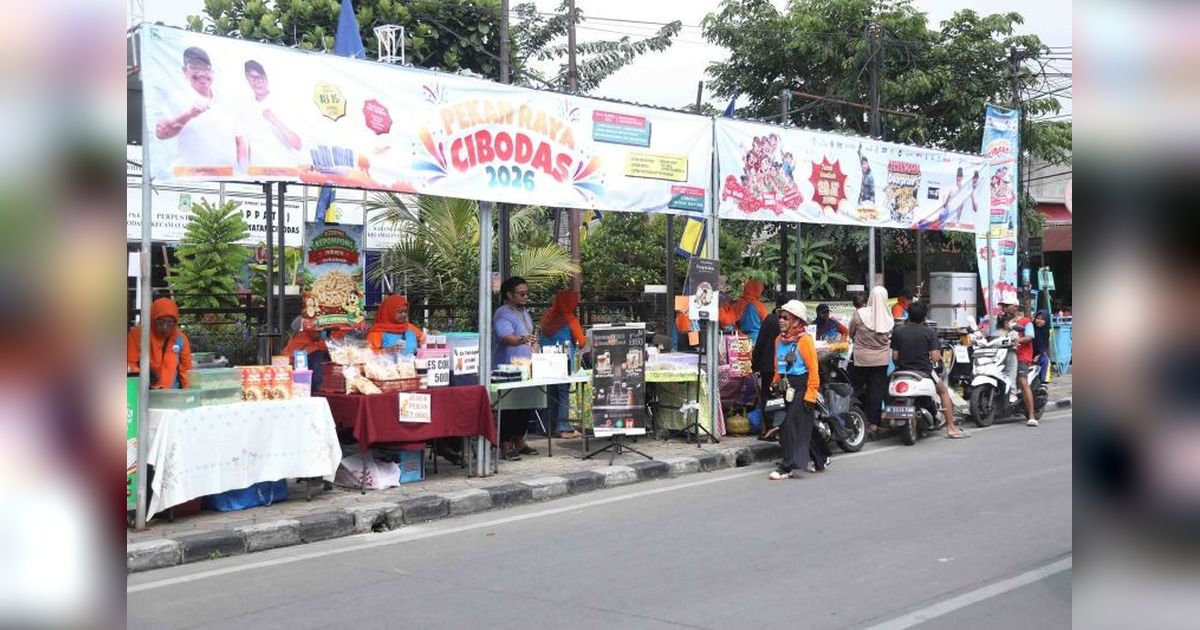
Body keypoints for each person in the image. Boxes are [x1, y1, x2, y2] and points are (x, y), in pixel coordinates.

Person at [154, 46, 247, 176]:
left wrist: (242, 172)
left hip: (227, 179)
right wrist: (188, 115)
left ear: (212, 72)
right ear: (185, 71)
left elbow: (240, 140)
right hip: (189, 179)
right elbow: (161, 134)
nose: (202, 73)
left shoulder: (227, 102)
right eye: (195, 68)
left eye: (206, 69)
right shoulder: (176, 98)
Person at [891, 302, 968, 438]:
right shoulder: (929, 332)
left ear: (908, 315)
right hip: (924, 370)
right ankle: (951, 427)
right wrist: (937, 358)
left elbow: (895, 356)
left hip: (901, 370)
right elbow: (934, 356)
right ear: (924, 317)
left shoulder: (898, 331)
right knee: (943, 392)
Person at [768, 301, 822, 480]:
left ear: (796, 321)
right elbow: (778, 367)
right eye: (780, 317)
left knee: (790, 424)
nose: (781, 320)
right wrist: (774, 384)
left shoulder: (804, 340)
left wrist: (811, 394)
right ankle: (820, 459)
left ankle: (787, 467)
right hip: (785, 386)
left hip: (802, 386)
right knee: (801, 426)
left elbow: (813, 369)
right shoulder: (778, 340)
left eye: (786, 317)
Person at [492, 277, 539, 459]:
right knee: (509, 408)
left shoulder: (524, 312)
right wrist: (522, 339)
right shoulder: (503, 313)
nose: (525, 296)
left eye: (527, 293)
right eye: (521, 294)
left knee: (524, 404)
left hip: (525, 367)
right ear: (509, 295)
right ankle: (504, 443)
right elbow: (506, 337)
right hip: (506, 368)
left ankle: (519, 440)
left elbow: (530, 334)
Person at [539, 290, 586, 439]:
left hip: (546, 359)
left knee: (550, 392)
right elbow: (582, 341)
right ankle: (564, 427)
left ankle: (548, 426)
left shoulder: (547, 316)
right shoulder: (570, 319)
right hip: (565, 360)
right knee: (564, 393)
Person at [243, 60, 302, 169]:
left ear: (267, 78)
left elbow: (297, 144)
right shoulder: (246, 106)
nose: (257, 82)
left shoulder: (282, 103)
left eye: (260, 78)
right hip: (256, 177)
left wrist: (275, 121)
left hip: (283, 176)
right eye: (252, 78)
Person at [849, 287, 893, 435]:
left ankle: (853, 417)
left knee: (856, 387)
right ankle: (872, 423)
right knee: (876, 391)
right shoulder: (888, 316)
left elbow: (851, 332)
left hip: (861, 359)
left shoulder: (859, 314)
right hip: (881, 360)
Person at [127, 297, 193, 389]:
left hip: (172, 394)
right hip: (143, 392)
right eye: (160, 322)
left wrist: (188, 394)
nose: (165, 327)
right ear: (152, 319)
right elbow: (130, 364)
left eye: (169, 323)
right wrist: (143, 377)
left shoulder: (180, 338)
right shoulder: (137, 335)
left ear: (175, 322)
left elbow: (186, 370)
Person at [752, 293, 791, 440]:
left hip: (768, 366)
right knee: (785, 397)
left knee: (769, 397)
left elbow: (760, 344)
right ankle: (782, 427)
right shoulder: (792, 321)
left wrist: (754, 364)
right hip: (786, 367)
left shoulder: (770, 320)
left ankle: (771, 428)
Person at [1003, 301, 1039, 426]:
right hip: (1004, 354)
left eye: (1007, 306)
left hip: (1022, 355)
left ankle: (1031, 415)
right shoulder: (1003, 321)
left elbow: (1030, 336)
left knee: (1022, 381)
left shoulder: (1026, 321)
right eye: (1004, 306)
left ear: (1015, 307)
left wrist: (1020, 339)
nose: (1005, 308)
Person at [732, 279, 769, 343]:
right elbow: (767, 322)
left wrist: (739, 332)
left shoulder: (739, 303)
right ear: (758, 291)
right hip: (757, 338)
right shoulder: (759, 305)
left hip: (741, 337)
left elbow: (732, 321)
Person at [1031, 310, 1052, 389]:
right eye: (1038, 318)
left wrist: (1038, 355)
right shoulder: (1031, 328)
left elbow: (1044, 345)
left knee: (1045, 360)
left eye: (1042, 319)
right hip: (1028, 352)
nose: (1039, 321)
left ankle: (1043, 383)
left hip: (1039, 353)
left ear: (1046, 321)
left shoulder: (1046, 331)